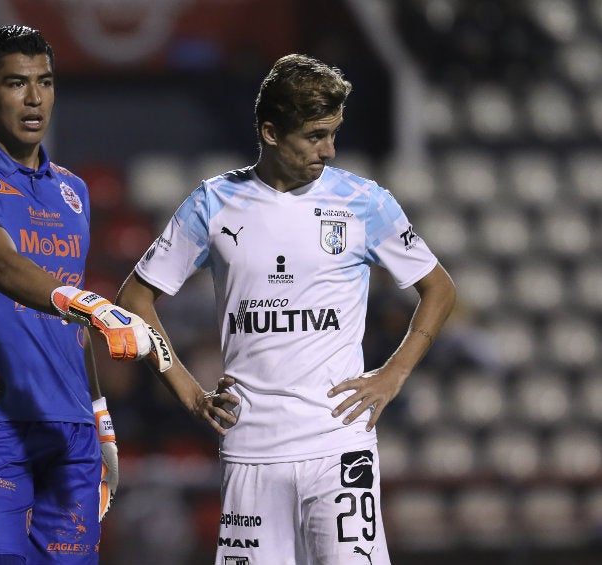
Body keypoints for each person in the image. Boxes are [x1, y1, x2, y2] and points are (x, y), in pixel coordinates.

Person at [116, 54, 457, 565]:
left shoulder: (365, 202)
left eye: (333, 133)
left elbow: (440, 289)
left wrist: (393, 374)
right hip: (251, 449)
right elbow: (134, 300)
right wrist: (188, 392)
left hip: (339, 447)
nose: (330, 150)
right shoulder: (214, 203)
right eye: (315, 136)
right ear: (272, 132)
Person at [0, 25, 171, 565]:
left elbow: (68, 311)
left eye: (46, 82)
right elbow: (1, 263)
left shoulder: (72, 191)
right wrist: (92, 305)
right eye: (16, 84)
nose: (35, 99)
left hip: (72, 432)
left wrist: (100, 414)